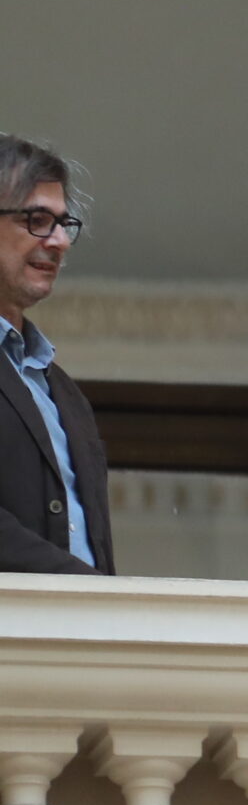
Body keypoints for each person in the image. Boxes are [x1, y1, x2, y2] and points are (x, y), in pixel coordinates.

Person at [0, 136, 112, 577]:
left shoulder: (63, 392)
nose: (60, 241)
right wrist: (88, 591)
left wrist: (106, 604)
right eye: (38, 220)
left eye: (64, 224)